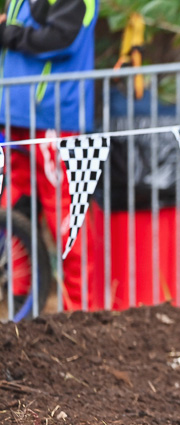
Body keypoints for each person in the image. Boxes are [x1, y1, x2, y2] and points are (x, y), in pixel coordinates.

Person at [0, 0, 99, 310]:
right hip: (14, 117)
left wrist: (7, 32)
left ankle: (80, 315)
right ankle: (20, 305)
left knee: (67, 219)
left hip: (55, 121)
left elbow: (60, 39)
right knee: (13, 215)